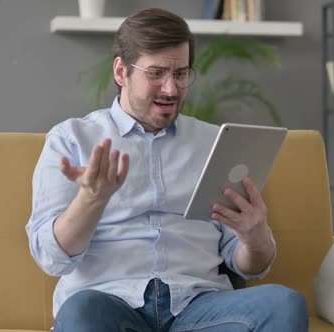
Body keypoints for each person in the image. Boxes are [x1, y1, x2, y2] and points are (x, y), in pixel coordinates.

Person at [26, 7, 307, 332]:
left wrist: (255, 238)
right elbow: (51, 257)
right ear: (121, 72)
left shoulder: (214, 141)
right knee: (81, 311)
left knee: (285, 304)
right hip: (109, 306)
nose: (171, 89)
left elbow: (248, 264)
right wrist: (91, 200)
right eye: (156, 73)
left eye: (181, 74)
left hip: (198, 308)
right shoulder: (72, 139)